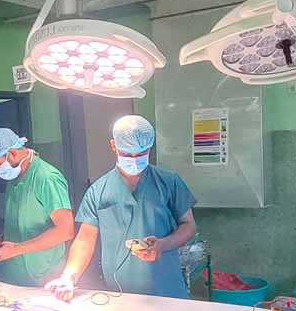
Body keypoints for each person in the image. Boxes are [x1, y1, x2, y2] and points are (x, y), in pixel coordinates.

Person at [46, 115, 197, 301]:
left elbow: (189, 226)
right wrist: (69, 276)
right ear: (113, 146)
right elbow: (84, 240)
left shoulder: (168, 182)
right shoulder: (98, 191)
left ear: (149, 148)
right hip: (120, 294)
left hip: (167, 291)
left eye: (141, 154)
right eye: (127, 154)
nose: (134, 159)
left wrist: (162, 245)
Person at [0, 128, 74, 287]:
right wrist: (1, 239)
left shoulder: (46, 178)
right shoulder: (15, 179)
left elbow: (65, 230)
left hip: (45, 276)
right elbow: (24, 223)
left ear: (12, 153)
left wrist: (16, 249)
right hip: (16, 276)